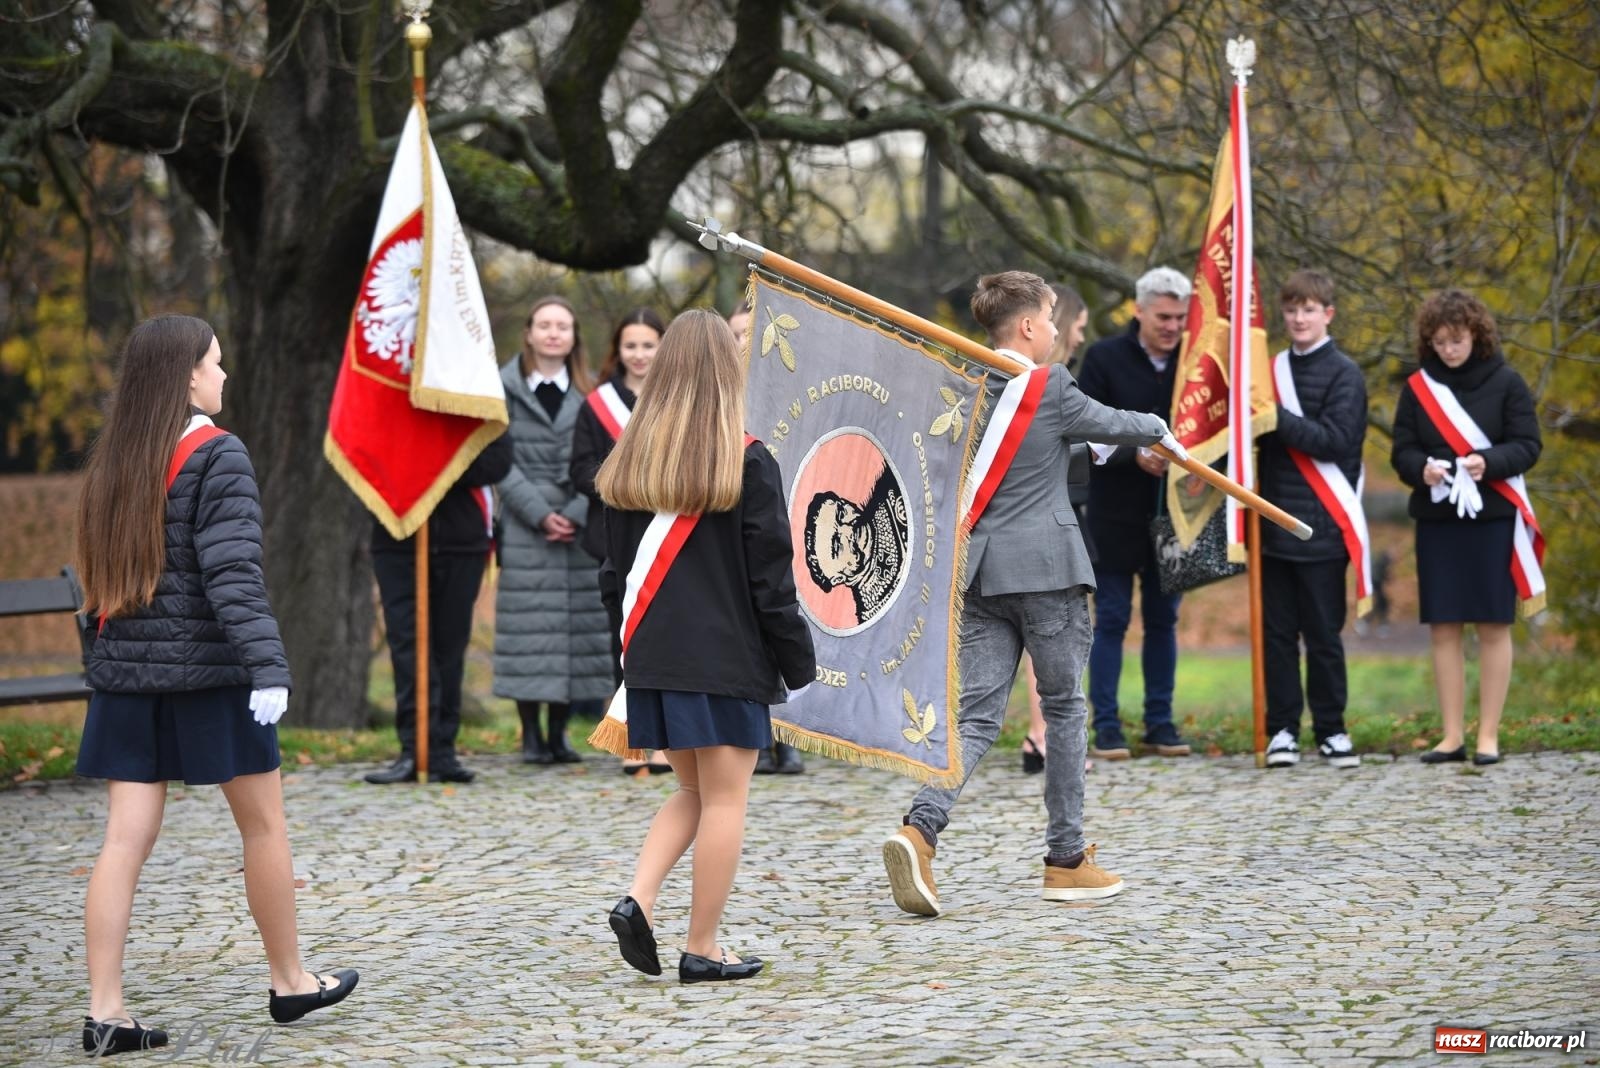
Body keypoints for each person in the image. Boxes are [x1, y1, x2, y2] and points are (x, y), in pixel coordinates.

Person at [73, 316, 357, 1055]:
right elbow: (233, 574)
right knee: (263, 826)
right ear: (187, 377)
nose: (224, 376)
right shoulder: (218, 454)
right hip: (209, 673)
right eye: (216, 364)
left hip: (131, 678)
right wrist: (268, 665)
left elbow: (101, 585)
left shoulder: (113, 461)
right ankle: (291, 980)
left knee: (122, 842)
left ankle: (105, 1010)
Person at [882, 271, 1177, 918]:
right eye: (1048, 319)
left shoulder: (965, 381)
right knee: (1066, 710)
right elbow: (1119, 423)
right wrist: (1159, 422)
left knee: (977, 717)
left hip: (981, 571)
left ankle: (920, 829)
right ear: (1026, 327)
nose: (1052, 330)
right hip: (1046, 569)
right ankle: (1066, 860)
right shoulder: (1051, 385)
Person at [598, 309, 815, 982]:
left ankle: (639, 897)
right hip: (725, 660)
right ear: (727, 372)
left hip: (655, 660)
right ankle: (704, 946)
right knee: (725, 800)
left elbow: (613, 579)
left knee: (693, 791)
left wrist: (633, 660)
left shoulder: (630, 464)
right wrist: (796, 659)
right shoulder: (747, 461)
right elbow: (770, 580)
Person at [1391, 289, 1542, 766]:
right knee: (1444, 627)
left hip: (1493, 518)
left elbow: (1527, 445)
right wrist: (1424, 470)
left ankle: (1488, 737)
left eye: (1456, 340)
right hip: (1439, 522)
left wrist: (1487, 462)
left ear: (1476, 336)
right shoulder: (1417, 388)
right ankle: (1451, 735)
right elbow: (1402, 451)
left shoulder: (1507, 382)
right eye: (1439, 342)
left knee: (1494, 625)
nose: (1448, 350)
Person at [494, 295, 615, 764]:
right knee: (528, 630)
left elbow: (602, 456)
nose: (552, 333)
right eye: (544, 324)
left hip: (580, 519)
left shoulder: (592, 392)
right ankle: (529, 735)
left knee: (573, 631)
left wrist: (576, 509)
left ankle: (561, 733)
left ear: (573, 337)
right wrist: (538, 512)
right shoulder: (500, 388)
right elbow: (497, 459)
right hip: (525, 525)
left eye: (562, 326)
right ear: (528, 332)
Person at [1077, 266, 1192, 760]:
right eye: (1163, 316)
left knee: (1165, 620)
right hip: (1115, 512)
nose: (1172, 326)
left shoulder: (1198, 365)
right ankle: (1106, 727)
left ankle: (1160, 724)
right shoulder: (1103, 359)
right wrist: (1134, 455)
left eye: (1180, 318)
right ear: (1139, 311)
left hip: (1179, 514)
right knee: (1113, 619)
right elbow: (1083, 426)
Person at [1257, 270, 1368, 769]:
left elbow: (1335, 441)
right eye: (1292, 309)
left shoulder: (1346, 374)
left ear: (1328, 314)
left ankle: (1331, 729)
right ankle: (1282, 729)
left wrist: (1277, 418)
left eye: (1309, 309)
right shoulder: (1268, 369)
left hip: (1324, 526)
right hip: (1273, 523)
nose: (1299, 318)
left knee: (1323, 636)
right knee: (1278, 636)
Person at [364, 432, 512, 784]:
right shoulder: (391, 398)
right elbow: (365, 449)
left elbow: (498, 459)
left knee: (450, 646)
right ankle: (412, 749)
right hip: (397, 534)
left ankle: (442, 750)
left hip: (462, 536)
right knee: (406, 645)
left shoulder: (471, 390)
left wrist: (434, 462)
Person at [570, 307, 673, 775]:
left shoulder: (677, 400)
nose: (639, 355)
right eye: (630, 346)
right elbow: (578, 469)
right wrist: (625, 481)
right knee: (625, 639)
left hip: (672, 534)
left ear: (664, 347)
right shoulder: (597, 405)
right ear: (618, 350)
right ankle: (633, 739)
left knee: (670, 639)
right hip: (619, 539)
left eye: (648, 345)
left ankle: (669, 741)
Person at [1021, 284, 1091, 774]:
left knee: (1049, 630)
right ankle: (1044, 732)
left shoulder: (1060, 379)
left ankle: (1040, 733)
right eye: (1078, 326)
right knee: (1045, 628)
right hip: (1040, 517)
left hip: (1064, 510)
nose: (1081, 336)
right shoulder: (1042, 381)